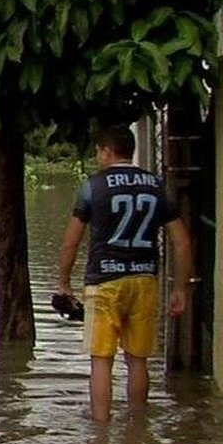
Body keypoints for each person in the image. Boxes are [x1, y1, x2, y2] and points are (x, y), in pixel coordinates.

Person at [54, 125, 195, 422]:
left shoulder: (93, 187)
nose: (97, 157)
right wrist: (181, 287)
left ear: (107, 151)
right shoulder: (156, 185)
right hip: (144, 280)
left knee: (102, 361)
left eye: (98, 151)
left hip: (103, 282)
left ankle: (101, 433)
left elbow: (71, 242)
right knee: (137, 359)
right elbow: (181, 241)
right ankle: (137, 428)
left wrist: (63, 283)